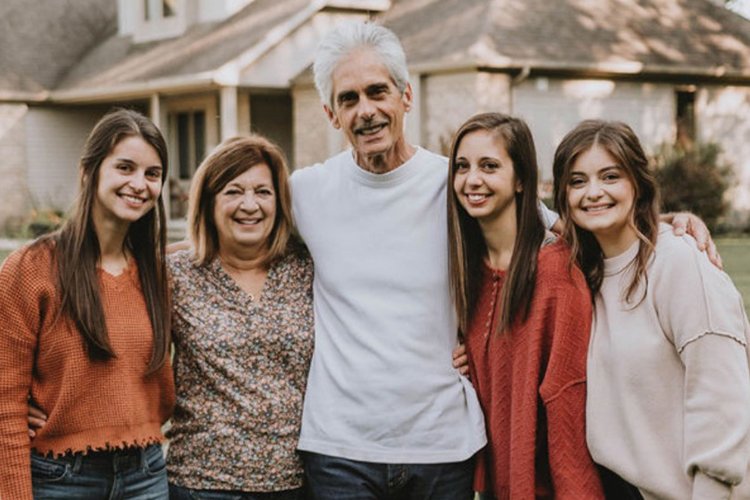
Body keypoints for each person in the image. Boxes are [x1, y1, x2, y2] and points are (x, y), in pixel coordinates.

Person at [294, 20, 719, 499]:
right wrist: (189, 249)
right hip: (339, 448)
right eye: (349, 99)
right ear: (331, 114)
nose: (366, 111)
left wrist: (665, 226)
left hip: (441, 447)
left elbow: (574, 224)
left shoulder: (454, 184)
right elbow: (231, 231)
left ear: (405, 97)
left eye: (377, 92)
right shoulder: (308, 192)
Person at [552, 119, 750, 499]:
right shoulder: (586, 269)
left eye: (610, 176)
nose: (593, 192)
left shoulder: (679, 262)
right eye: (577, 181)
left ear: (638, 183)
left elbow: (720, 397)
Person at [0, 109, 175, 499]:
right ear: (88, 172)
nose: (139, 184)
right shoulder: (32, 269)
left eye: (152, 174)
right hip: (60, 478)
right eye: (125, 168)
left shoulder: (157, 275)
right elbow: (4, 398)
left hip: (145, 473)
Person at [447, 112, 604, 499]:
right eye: (462, 167)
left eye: (489, 166)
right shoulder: (471, 271)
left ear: (520, 180)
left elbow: (568, 399)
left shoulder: (555, 272)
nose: (472, 180)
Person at [164, 135, 314, 499]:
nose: (250, 205)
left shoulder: (307, 268)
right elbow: (115, 338)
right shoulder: (175, 274)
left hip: (296, 482)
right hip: (202, 483)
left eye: (263, 192)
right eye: (233, 192)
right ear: (209, 203)